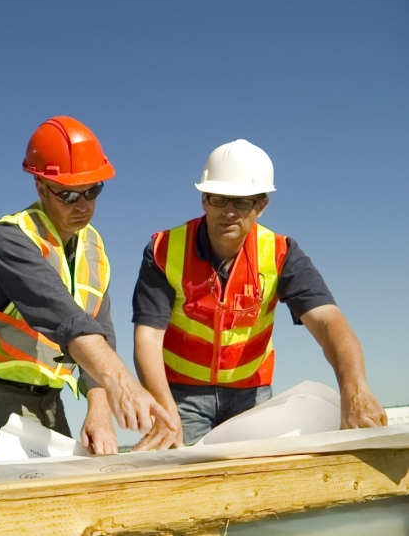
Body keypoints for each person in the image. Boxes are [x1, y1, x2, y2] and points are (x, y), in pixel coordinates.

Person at [132, 139, 388, 449]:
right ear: (204, 200)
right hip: (180, 394)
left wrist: (355, 389)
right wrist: (164, 410)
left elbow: (328, 321)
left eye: (241, 202)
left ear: (261, 206)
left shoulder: (282, 253)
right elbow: (148, 338)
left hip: (251, 394)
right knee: (181, 480)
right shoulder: (163, 250)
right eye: (219, 199)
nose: (229, 212)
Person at [0, 116, 173, 467]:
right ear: (41, 187)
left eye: (92, 191)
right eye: (68, 194)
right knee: (5, 512)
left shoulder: (92, 248)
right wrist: (123, 385)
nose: (82, 205)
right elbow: (68, 321)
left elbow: (100, 330)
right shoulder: (9, 240)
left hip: (49, 398)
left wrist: (99, 408)